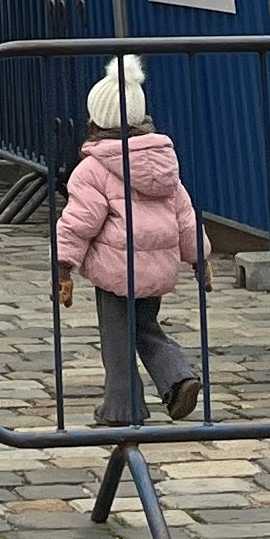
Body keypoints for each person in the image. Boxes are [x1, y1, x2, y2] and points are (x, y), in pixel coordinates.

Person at [53, 55, 206, 426]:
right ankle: (178, 378)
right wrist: (200, 258)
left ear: (94, 121)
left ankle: (123, 407)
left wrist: (63, 266)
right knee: (146, 327)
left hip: (116, 272)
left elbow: (79, 222)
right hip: (155, 270)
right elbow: (185, 212)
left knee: (117, 339)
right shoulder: (163, 162)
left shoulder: (93, 168)